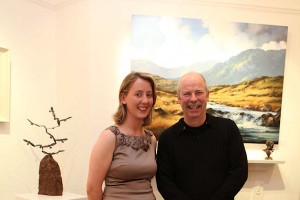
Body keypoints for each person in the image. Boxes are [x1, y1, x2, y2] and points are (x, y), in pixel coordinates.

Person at [156, 71, 248, 200]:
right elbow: (164, 182)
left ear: (207, 95)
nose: (193, 99)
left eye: (198, 92)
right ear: (179, 98)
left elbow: (240, 172)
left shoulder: (229, 129)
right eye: (187, 93)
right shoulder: (167, 138)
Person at [87, 72, 157, 200]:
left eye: (149, 95)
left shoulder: (151, 140)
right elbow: (92, 189)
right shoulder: (109, 137)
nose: (145, 100)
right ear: (123, 98)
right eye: (138, 94)